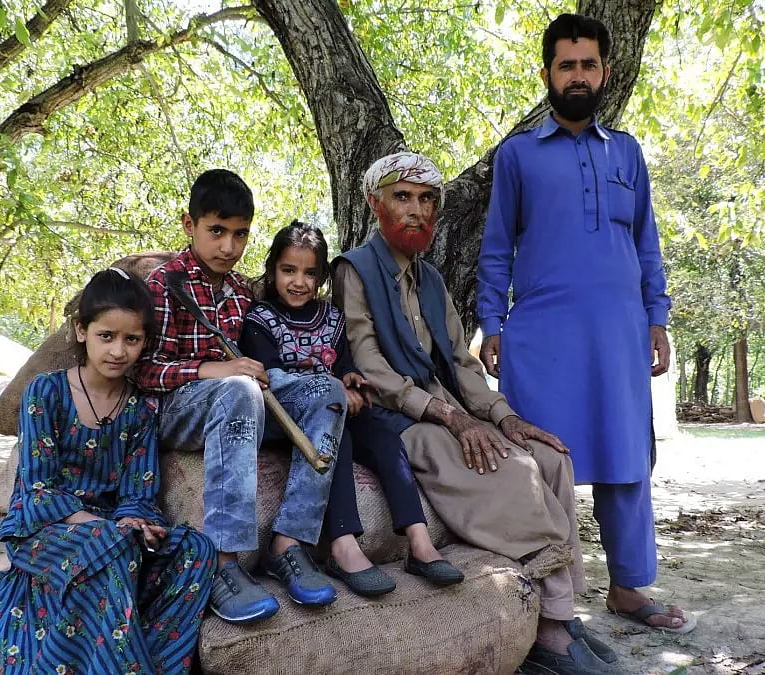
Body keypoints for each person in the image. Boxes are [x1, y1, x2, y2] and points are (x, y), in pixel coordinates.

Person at [334, 152, 621, 675]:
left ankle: (560, 614)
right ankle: (552, 638)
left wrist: (501, 415)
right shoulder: (354, 269)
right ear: (376, 205)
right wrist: (448, 416)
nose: (417, 210)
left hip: (448, 406)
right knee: (514, 473)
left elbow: (463, 363)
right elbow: (370, 363)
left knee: (551, 458)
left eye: (427, 200)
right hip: (404, 419)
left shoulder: (432, 280)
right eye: (403, 197)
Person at [476, 14, 695, 636]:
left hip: (621, 334)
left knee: (628, 458)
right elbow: (497, 248)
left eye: (589, 64)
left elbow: (646, 243)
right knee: (543, 465)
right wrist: (491, 322)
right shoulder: (517, 156)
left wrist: (658, 316)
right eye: (567, 65)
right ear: (546, 73)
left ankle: (628, 588)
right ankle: (552, 602)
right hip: (541, 336)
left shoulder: (626, 151)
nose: (578, 75)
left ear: (604, 72)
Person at [132, 169, 345, 625]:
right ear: (189, 226)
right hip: (176, 408)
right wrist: (216, 370)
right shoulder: (163, 286)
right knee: (238, 387)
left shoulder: (239, 292)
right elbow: (141, 370)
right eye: (216, 232)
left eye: (240, 235)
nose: (228, 247)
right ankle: (223, 564)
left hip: (240, 401)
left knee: (327, 390)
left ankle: (289, 544)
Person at [0, 268, 216, 674]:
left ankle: (154, 664)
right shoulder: (46, 392)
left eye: (132, 339)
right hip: (44, 528)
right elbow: (39, 488)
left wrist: (136, 521)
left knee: (195, 550)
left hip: (112, 532)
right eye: (106, 336)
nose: (117, 351)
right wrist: (108, 526)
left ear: (145, 343)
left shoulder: (139, 409)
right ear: (81, 331)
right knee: (110, 541)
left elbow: (139, 493)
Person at [238, 220, 464, 597]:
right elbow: (270, 381)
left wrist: (352, 379)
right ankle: (343, 543)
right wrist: (335, 391)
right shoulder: (261, 320)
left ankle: (420, 541)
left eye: (310, 273)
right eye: (288, 270)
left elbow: (343, 363)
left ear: (322, 276)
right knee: (335, 433)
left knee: (386, 439)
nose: (299, 282)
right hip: (295, 418)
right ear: (273, 269)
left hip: (337, 403)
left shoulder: (332, 318)